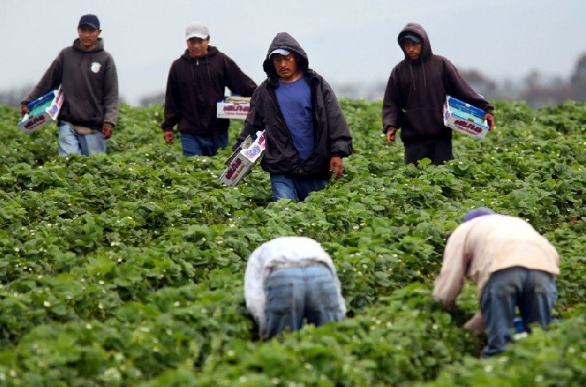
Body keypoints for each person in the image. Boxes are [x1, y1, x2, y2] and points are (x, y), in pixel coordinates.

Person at [234, 32, 353, 201]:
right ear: (271, 63)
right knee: (284, 215)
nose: (282, 64)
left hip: (314, 165)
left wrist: (338, 153)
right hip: (281, 167)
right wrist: (237, 155)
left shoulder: (316, 85)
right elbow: (252, 126)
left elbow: (335, 119)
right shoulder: (264, 92)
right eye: (277, 60)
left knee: (314, 215)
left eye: (287, 58)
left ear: (297, 58)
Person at [433, 208, 560, 358]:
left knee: (499, 347)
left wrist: (442, 308)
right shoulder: (515, 224)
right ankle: (539, 375)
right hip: (543, 269)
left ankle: (493, 374)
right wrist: (474, 326)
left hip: (503, 269)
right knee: (538, 338)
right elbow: (493, 309)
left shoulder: (463, 231)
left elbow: (450, 278)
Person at [382, 23, 496, 165]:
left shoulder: (441, 65)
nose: (411, 49)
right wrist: (390, 126)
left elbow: (463, 90)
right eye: (406, 45)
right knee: (416, 182)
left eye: (415, 44)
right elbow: (391, 103)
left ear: (424, 43)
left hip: (441, 140)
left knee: (443, 181)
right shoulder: (399, 71)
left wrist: (486, 109)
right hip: (413, 141)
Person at [21, 14, 119, 156]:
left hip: (94, 126)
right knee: (69, 162)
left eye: (90, 31)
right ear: (77, 31)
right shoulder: (66, 55)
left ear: (98, 32)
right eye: (82, 30)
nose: (86, 35)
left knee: (94, 170)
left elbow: (111, 95)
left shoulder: (105, 60)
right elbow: (47, 81)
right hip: (68, 122)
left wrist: (109, 122)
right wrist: (28, 101)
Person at [161, 21, 257, 157]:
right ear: (186, 41)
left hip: (218, 131)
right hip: (190, 133)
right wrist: (168, 126)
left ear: (208, 40)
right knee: (193, 170)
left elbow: (242, 83)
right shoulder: (178, 67)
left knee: (218, 171)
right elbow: (172, 99)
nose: (196, 45)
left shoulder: (221, 61)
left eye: (200, 41)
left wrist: (261, 96)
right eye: (192, 41)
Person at [244, 236, 346, 340]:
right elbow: (334, 281)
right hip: (319, 271)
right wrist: (339, 315)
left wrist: (266, 328)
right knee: (328, 336)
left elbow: (254, 297)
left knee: (284, 340)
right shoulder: (311, 243)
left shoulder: (257, 254)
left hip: (283, 274)